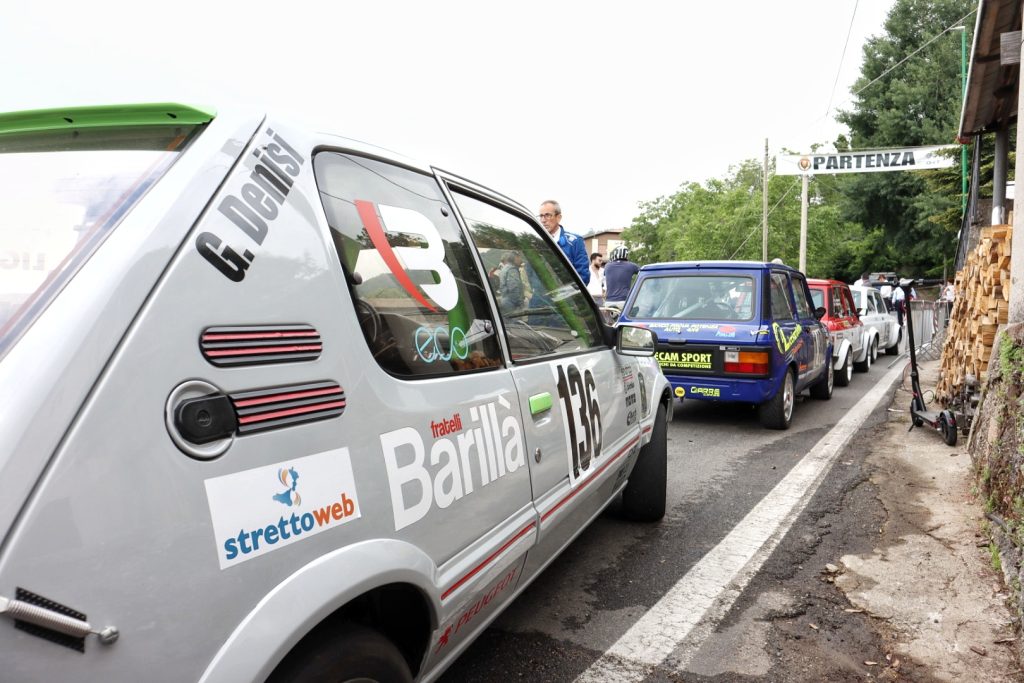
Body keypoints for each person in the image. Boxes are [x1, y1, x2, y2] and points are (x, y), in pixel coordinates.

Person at [538, 200, 589, 284]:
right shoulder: (536, 242)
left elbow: (583, 277)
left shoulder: (575, 242)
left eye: (547, 215)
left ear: (559, 217)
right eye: (541, 216)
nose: (543, 220)